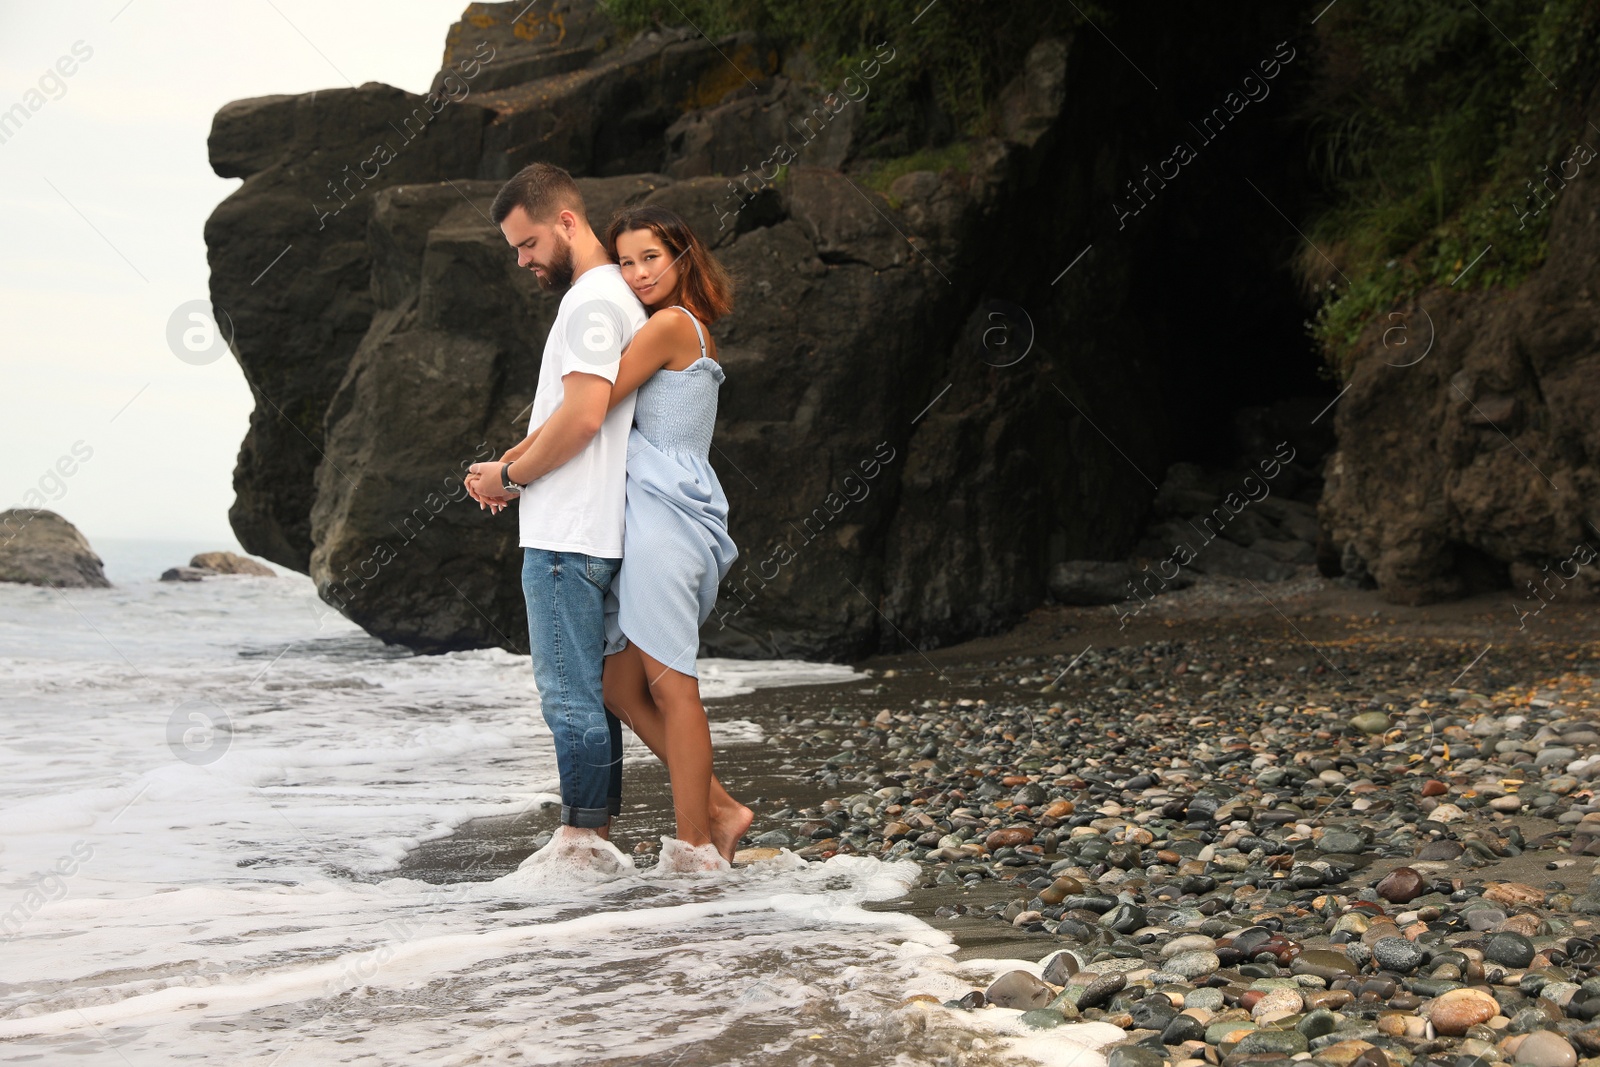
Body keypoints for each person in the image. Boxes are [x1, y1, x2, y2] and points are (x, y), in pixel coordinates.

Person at [465, 162, 646, 874]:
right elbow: (571, 416)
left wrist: (510, 476)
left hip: (569, 536)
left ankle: (582, 841)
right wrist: (513, 463)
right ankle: (592, 834)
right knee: (590, 689)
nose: (523, 260)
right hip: (584, 525)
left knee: (567, 690)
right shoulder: (611, 299)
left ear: (567, 222)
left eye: (529, 242)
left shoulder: (593, 303)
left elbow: (584, 416)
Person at [597, 205, 747, 870]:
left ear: (681, 256)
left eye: (649, 257)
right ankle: (719, 808)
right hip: (663, 515)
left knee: (672, 687)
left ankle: (695, 846)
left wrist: (510, 468)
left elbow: (591, 403)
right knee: (620, 687)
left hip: (665, 521)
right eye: (624, 262)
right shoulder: (688, 325)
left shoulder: (668, 327)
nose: (636, 273)